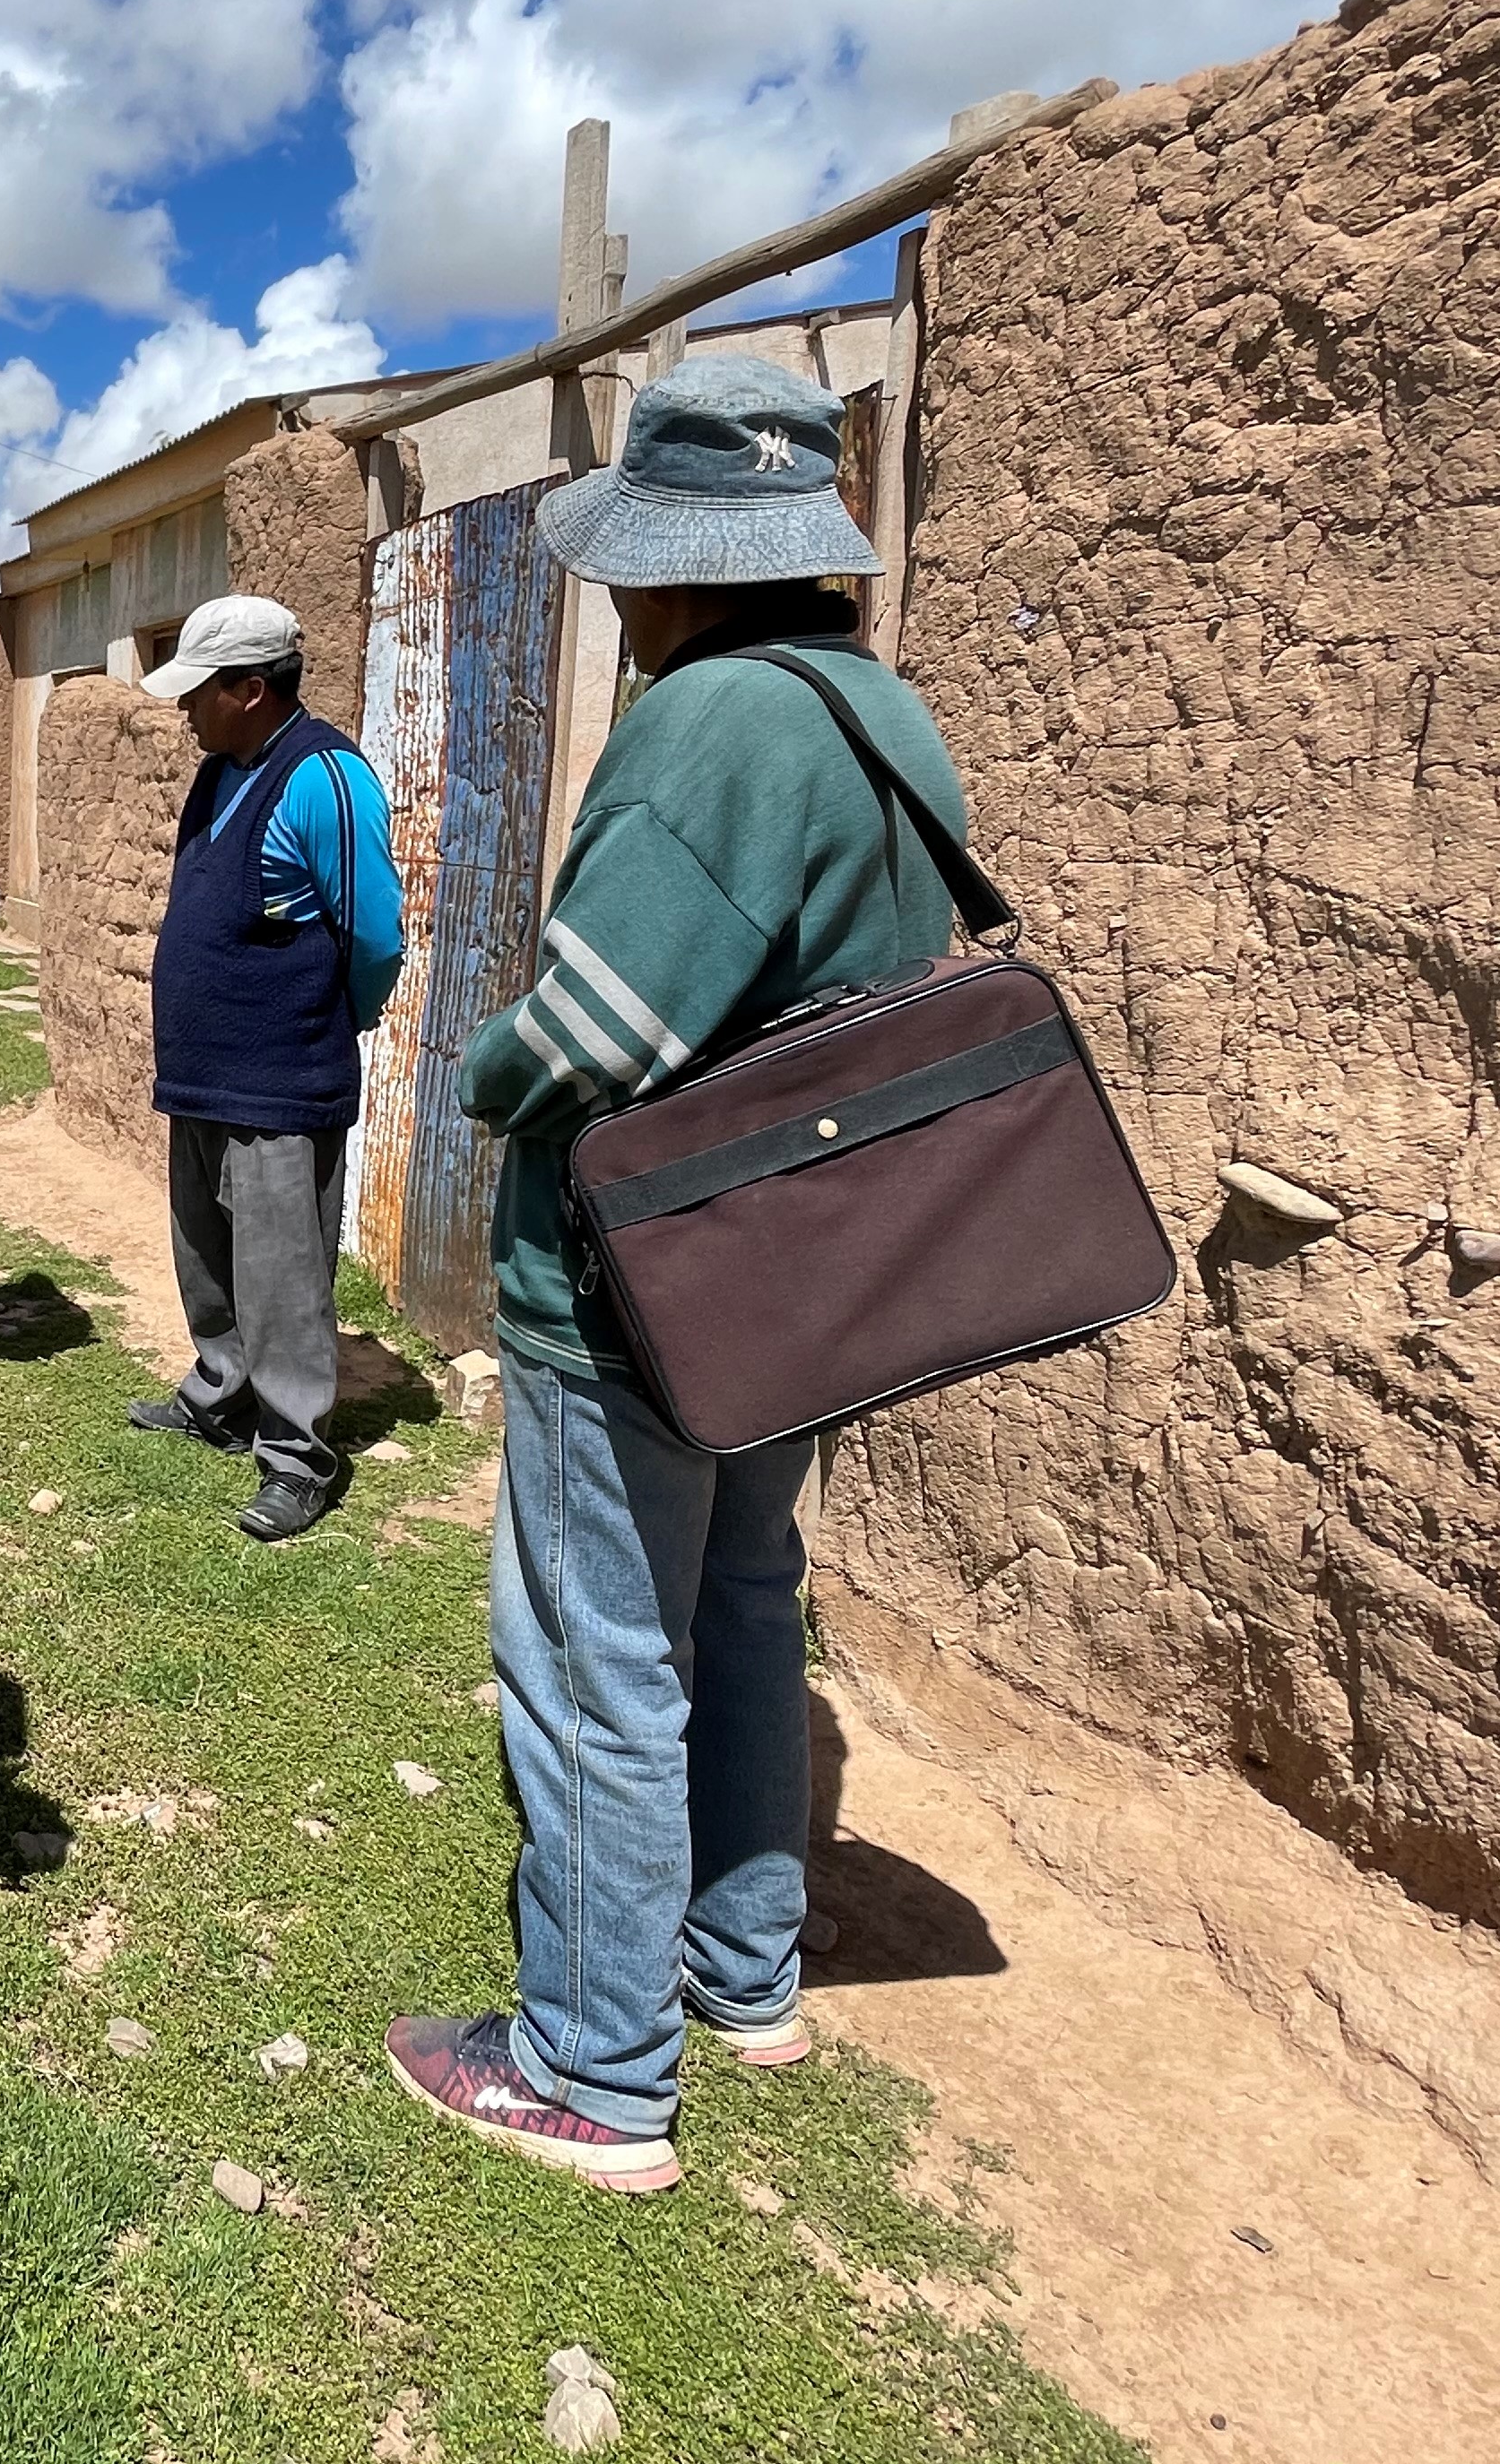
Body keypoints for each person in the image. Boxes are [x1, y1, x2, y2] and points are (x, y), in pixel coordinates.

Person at [383, 354, 973, 2195]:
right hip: (805, 1280)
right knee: (740, 1606)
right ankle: (743, 1970)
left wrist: (479, 1067)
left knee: (588, 1657)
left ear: (697, 565)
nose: (622, 603)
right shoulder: (884, 715)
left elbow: (596, 1028)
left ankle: (592, 2066)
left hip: (644, 1284)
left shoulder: (716, 725)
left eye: (638, 566)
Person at [130, 595, 405, 1543]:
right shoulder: (218, 773)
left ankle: (296, 1457)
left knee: (284, 1275)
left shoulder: (327, 778)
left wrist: (339, 1022)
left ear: (251, 689)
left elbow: (372, 932)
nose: (183, 710)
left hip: (282, 1075)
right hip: (204, 1073)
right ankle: (221, 1392)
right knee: (207, 1256)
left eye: (198, 692)